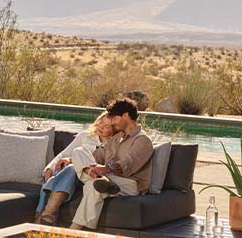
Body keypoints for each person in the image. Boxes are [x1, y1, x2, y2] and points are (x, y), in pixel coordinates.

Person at [68, 97, 153, 230]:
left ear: (126, 115)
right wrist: (74, 159)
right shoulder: (117, 138)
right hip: (109, 178)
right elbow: (97, 156)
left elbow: (127, 164)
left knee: (92, 185)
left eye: (114, 118)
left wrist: (105, 169)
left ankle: (74, 230)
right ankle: (99, 179)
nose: (112, 123)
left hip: (129, 184)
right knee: (79, 151)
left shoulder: (142, 140)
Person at [34, 112, 114, 225]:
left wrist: (71, 159)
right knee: (71, 170)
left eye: (107, 126)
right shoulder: (85, 136)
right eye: (101, 122)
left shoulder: (114, 144)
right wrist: (49, 168)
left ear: (114, 129)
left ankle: (45, 217)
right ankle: (46, 218)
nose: (101, 127)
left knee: (71, 168)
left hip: (91, 179)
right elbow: (64, 153)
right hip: (73, 177)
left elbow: (104, 164)